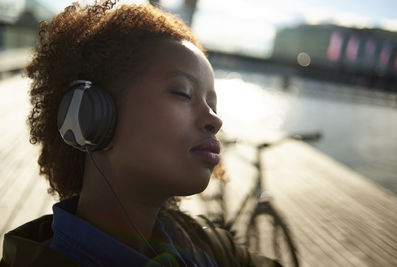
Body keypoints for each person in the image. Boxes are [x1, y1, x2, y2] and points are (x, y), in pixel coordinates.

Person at [0, 1, 280, 266]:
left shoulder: (208, 246)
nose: (215, 120)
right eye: (182, 92)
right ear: (90, 116)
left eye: (212, 103)